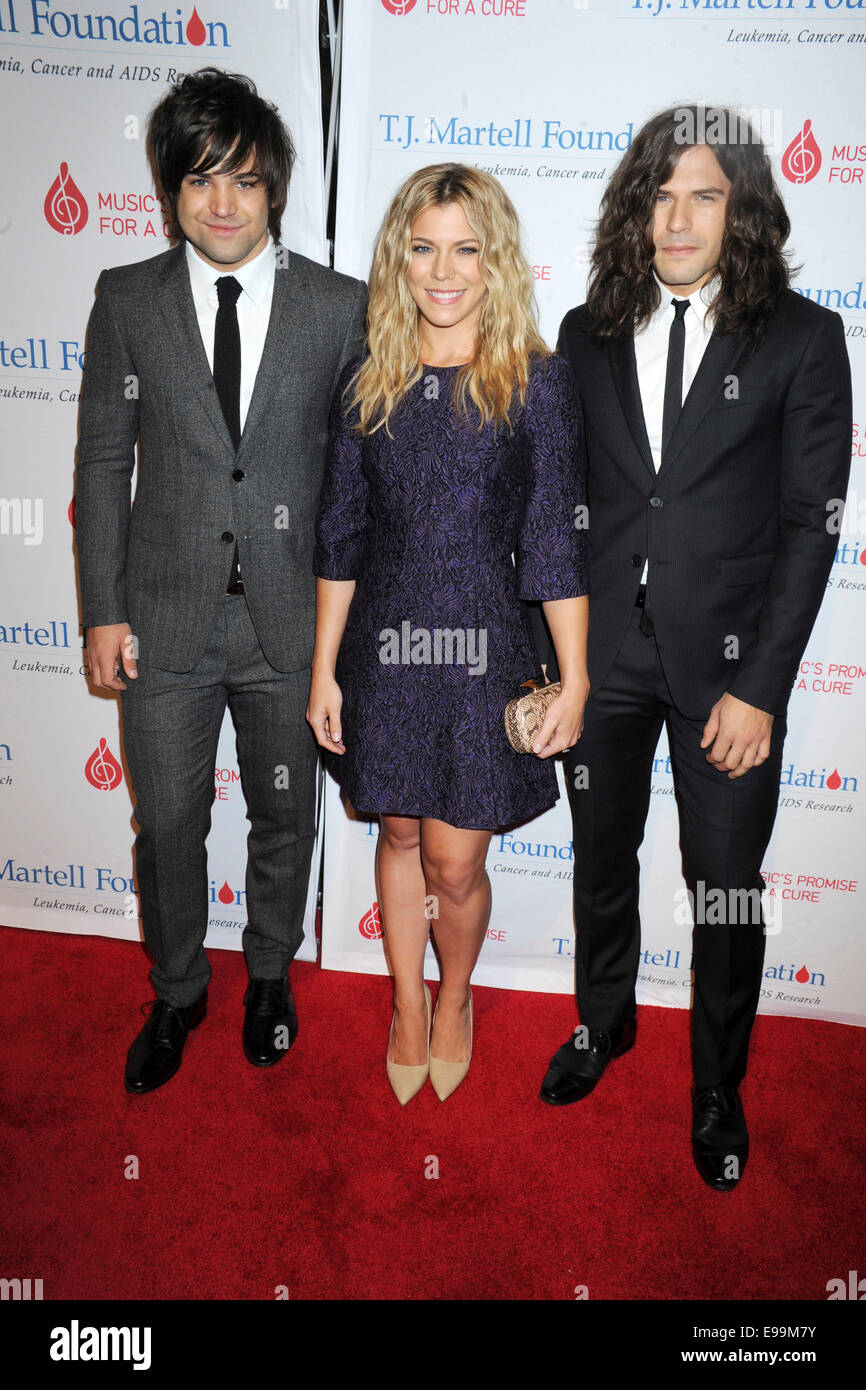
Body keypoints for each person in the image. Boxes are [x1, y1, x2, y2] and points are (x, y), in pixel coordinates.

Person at [531, 105, 852, 1189]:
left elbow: (810, 529)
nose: (675, 218)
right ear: (636, 208)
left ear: (741, 210)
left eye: (701, 195)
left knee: (721, 882)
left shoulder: (803, 338)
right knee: (598, 859)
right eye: (658, 195)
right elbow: (557, 508)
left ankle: (716, 1083)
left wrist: (759, 688)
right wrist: (554, 666)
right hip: (603, 658)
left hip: (727, 669)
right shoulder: (585, 332)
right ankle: (604, 1022)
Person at [75, 67, 366, 1094]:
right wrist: (102, 611)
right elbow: (105, 463)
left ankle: (272, 974)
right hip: (163, 622)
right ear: (170, 191)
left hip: (294, 626)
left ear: (274, 185)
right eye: (199, 180)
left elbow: (358, 478)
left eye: (243, 179)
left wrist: (355, 629)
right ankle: (178, 985)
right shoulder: (127, 299)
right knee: (168, 819)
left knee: (285, 814)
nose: (222, 203)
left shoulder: (342, 308)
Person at [308, 164, 588, 1105]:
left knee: (455, 860)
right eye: (424, 247)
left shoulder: (536, 385)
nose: (443, 270)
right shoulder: (367, 380)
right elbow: (340, 535)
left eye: (466, 249)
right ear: (400, 256)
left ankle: (456, 995)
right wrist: (323, 672)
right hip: (382, 653)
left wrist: (576, 679)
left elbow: (554, 543)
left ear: (495, 260)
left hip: (485, 658)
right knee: (397, 833)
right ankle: (405, 1005)